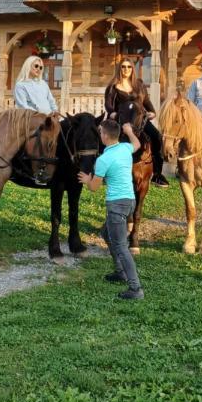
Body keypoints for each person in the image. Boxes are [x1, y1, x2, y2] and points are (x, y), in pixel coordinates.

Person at [78, 119, 144, 300]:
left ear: (105, 136)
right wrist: (129, 131)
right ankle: (120, 271)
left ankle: (135, 288)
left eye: (100, 133)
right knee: (106, 233)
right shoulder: (124, 148)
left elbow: (93, 187)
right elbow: (136, 144)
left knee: (122, 247)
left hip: (117, 205)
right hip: (130, 201)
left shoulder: (103, 159)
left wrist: (86, 180)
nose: (100, 135)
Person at [104, 58, 169, 188]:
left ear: (132, 69)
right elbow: (108, 105)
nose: (126, 69)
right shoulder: (113, 86)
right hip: (121, 120)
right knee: (105, 139)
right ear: (119, 68)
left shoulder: (139, 84)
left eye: (129, 67)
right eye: (123, 67)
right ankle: (105, 171)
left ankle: (157, 174)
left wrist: (152, 112)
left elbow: (147, 102)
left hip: (139, 120)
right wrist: (112, 113)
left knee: (157, 137)